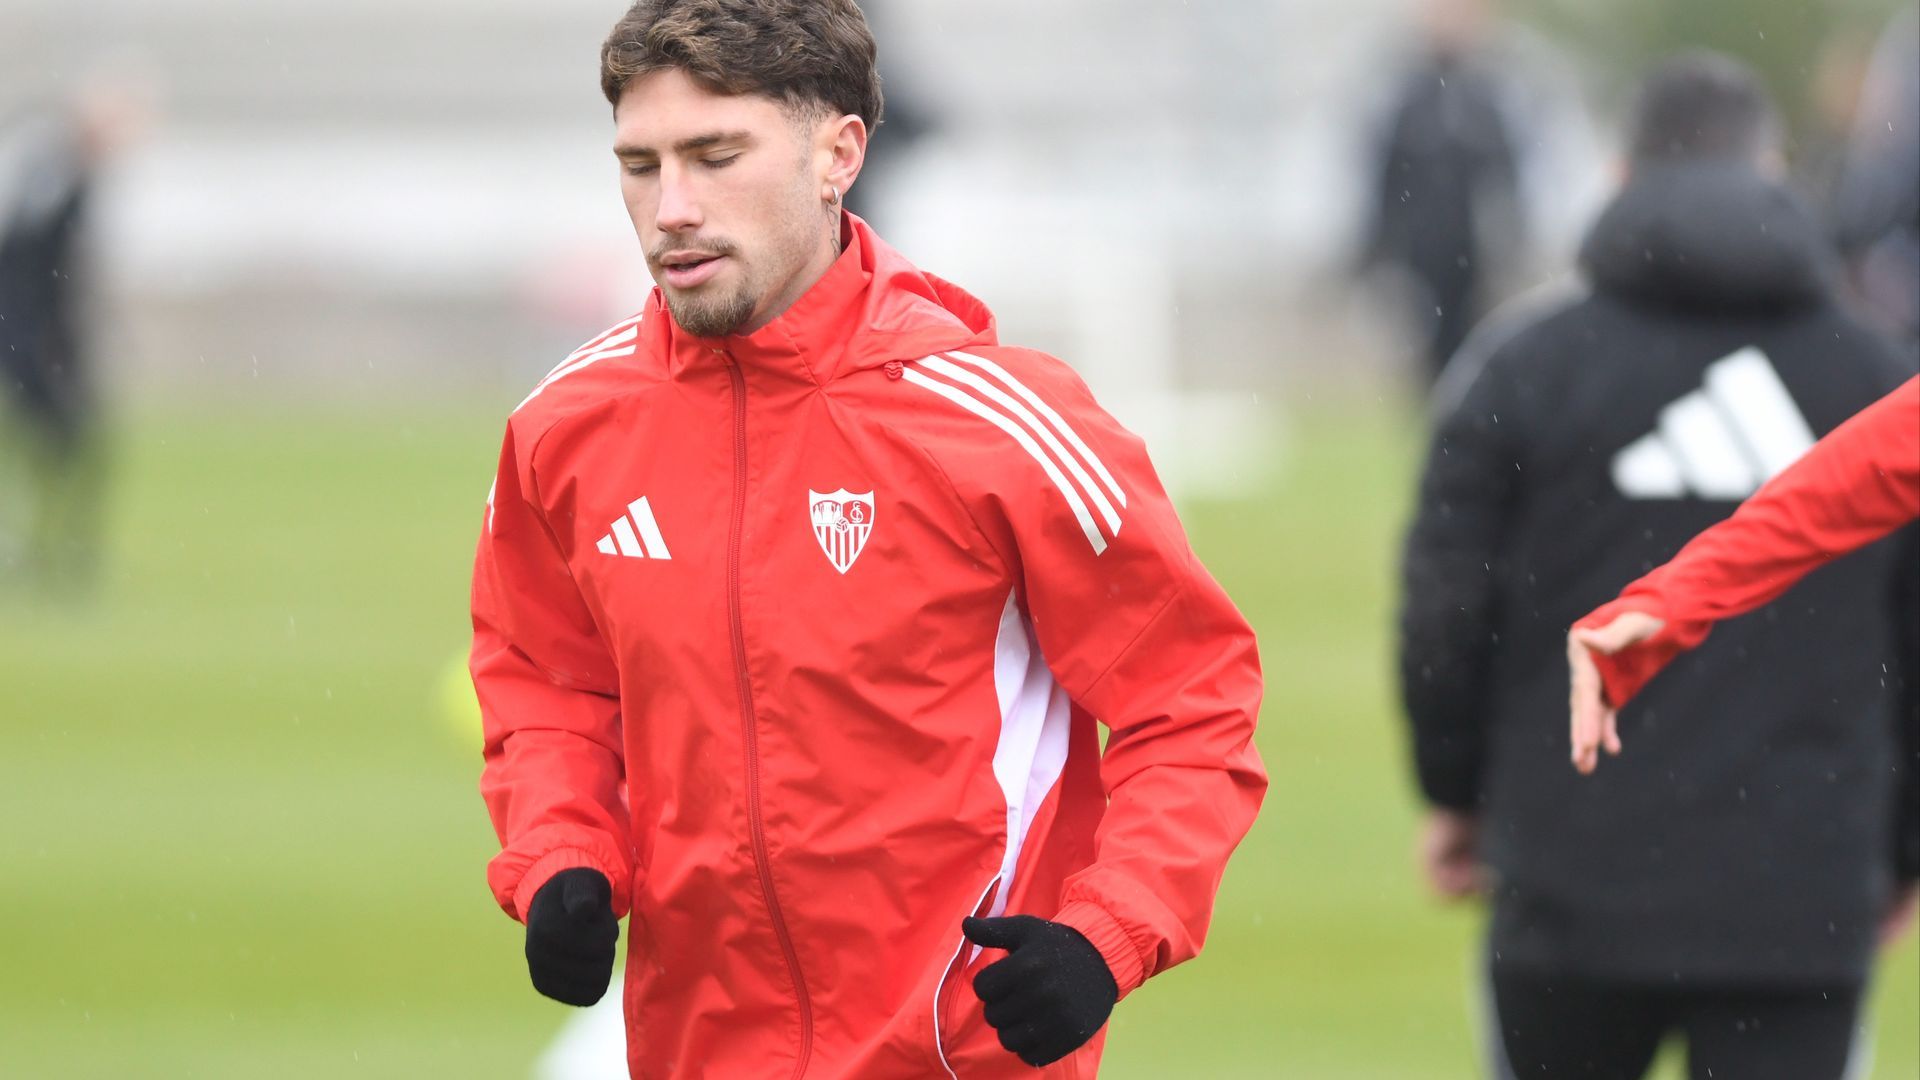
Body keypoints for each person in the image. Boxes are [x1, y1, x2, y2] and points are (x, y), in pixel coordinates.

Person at [469, 3, 1267, 1078]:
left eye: (716, 157)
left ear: (838, 155)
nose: (673, 209)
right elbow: (545, 681)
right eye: (641, 166)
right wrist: (563, 849)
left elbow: (1194, 702)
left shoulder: (1000, 426)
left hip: (958, 1057)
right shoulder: (564, 428)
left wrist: (1107, 931)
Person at [1396, 52, 1917, 1080]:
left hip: (1571, 878)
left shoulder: (1522, 365)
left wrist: (1453, 790)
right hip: (1802, 891)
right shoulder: (1870, 369)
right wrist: (1903, 846)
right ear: (1773, 171)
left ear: (1621, 176)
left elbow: (1445, 606)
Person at [1360, 0, 1525, 387]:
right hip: (1420, 252)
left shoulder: (1489, 94)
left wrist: (1511, 240)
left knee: (1472, 346)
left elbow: (1505, 175)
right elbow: (1386, 177)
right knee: (1425, 351)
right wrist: (1378, 252)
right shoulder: (1406, 95)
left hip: (1473, 252)